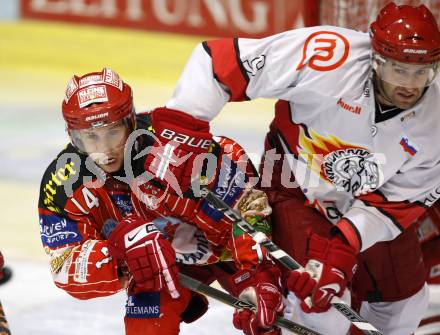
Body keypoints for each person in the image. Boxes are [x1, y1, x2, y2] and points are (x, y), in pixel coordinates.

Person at [142, 2, 440, 334]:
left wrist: (344, 245)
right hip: (294, 187)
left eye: (421, 72)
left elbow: (401, 200)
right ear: (376, 57)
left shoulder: (435, 117)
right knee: (321, 312)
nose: (410, 86)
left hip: (365, 206)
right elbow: (218, 62)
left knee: (406, 304)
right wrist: (181, 135)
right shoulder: (329, 55)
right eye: (399, 70)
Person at [38, 68, 284, 335]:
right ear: (73, 137)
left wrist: (260, 275)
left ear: (130, 122)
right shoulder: (64, 182)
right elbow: (63, 264)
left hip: (228, 243)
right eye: (90, 138)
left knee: (273, 313)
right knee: (146, 325)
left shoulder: (172, 145)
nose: (105, 149)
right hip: (162, 265)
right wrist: (121, 256)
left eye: (112, 133)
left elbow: (245, 203)